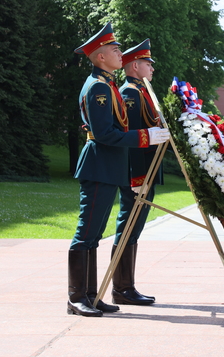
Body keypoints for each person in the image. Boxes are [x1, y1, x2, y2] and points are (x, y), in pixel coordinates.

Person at [68, 23, 170, 317]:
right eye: (114, 50)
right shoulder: (98, 87)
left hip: (108, 166)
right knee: (86, 232)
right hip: (99, 163)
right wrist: (145, 137)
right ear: (100, 57)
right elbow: (104, 134)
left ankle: (91, 295)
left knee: (94, 234)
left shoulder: (107, 84)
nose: (119, 54)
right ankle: (77, 297)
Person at [111, 39, 162, 306]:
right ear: (134, 65)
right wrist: (137, 178)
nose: (152, 67)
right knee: (128, 228)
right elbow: (132, 141)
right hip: (137, 174)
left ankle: (126, 286)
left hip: (146, 172)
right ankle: (121, 288)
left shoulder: (142, 91)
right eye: (147, 63)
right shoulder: (130, 94)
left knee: (134, 229)